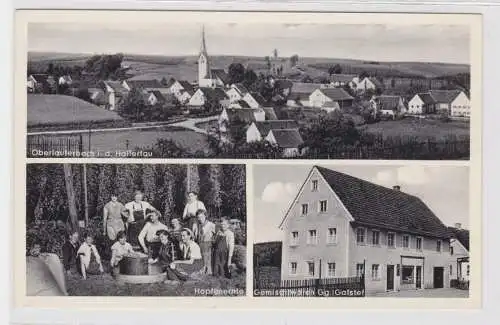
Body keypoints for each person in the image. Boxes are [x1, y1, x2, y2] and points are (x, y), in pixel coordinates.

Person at [195, 209, 216, 275]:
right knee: (202, 257)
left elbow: (216, 234)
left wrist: (213, 240)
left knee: (208, 257)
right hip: (200, 243)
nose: (200, 219)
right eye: (198, 217)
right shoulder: (197, 225)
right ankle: (203, 270)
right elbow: (197, 235)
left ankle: (209, 271)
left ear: (205, 216)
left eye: (201, 217)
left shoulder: (210, 224)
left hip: (208, 243)